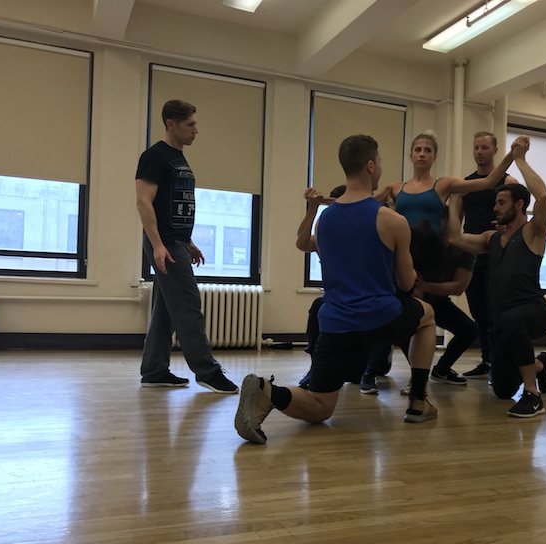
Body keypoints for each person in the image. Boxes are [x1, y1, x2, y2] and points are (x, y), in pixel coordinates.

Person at [235, 134, 438, 444]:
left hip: (335, 324)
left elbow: (306, 244)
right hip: (379, 318)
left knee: (320, 408)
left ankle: (268, 391)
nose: (381, 167)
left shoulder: (325, 221)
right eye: (380, 161)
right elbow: (406, 283)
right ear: (370, 166)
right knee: (427, 315)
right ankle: (419, 400)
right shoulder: (392, 220)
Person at [448, 138, 546, 418]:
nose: (494, 208)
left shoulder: (533, 232)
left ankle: (532, 395)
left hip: (535, 312)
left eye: (500, 202)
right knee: (503, 389)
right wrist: (455, 198)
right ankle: (541, 364)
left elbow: (543, 198)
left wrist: (519, 158)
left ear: (519, 205)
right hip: (504, 324)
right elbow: (455, 238)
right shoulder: (491, 239)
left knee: (510, 319)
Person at [135, 99, 238, 393]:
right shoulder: (154, 156)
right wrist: (158, 244)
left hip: (176, 241)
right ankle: (207, 371)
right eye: (190, 124)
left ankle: (154, 370)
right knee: (189, 306)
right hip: (165, 243)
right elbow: (144, 202)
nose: (196, 130)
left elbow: (172, 205)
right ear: (171, 124)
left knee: (167, 309)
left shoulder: (178, 158)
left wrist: (187, 241)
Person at [295, 185, 393, 394]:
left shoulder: (371, 232)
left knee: (381, 309)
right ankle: (316, 368)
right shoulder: (328, 234)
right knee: (318, 307)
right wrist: (312, 209)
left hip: (368, 310)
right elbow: (302, 243)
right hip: (340, 311)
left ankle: (371, 372)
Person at [455, 131, 518, 381]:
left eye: (484, 147)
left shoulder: (508, 181)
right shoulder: (467, 185)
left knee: (495, 311)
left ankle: (500, 362)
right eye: (476, 148)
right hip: (471, 254)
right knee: (479, 311)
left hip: (496, 253)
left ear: (494, 150)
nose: (479, 152)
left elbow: (519, 217)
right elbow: (456, 221)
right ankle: (487, 360)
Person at [376, 131, 521, 234]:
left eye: (427, 151)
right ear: (411, 156)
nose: (422, 154)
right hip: (402, 251)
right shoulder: (395, 187)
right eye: (418, 150)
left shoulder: (443, 184)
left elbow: (488, 182)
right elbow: (365, 204)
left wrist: (512, 155)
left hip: (432, 252)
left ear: (434, 157)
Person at [408, 217, 476, 386]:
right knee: (398, 327)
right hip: (412, 299)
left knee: (469, 330)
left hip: (438, 302)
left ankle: (441, 369)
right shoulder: (423, 238)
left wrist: (426, 286)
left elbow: (458, 287)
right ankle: (371, 371)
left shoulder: (465, 248)